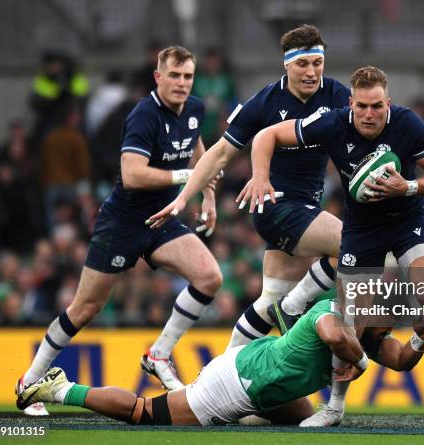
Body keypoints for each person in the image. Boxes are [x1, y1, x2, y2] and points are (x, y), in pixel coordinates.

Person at [235, 66, 424, 413]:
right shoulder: (334, 123)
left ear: (388, 104)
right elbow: (266, 136)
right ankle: (334, 408)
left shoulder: (407, 124)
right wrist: (261, 177)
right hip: (361, 230)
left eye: (377, 106)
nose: (369, 114)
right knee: (351, 322)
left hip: (407, 219)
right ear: (351, 103)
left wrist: (408, 187)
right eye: (362, 106)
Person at [145, 25, 354, 426]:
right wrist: (183, 197)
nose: (312, 72)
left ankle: (217, 384)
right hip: (274, 206)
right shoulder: (264, 102)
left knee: (268, 302)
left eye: (318, 63)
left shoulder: (339, 96)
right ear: (287, 65)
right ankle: (294, 310)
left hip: (306, 208)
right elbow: (221, 153)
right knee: (353, 249)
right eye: (304, 64)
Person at [16, 46, 222, 416]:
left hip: (161, 219)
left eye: (187, 76)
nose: (181, 83)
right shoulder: (143, 114)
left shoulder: (195, 109)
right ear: (158, 77)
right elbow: (132, 174)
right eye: (174, 75)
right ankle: (29, 381)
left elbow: (197, 150)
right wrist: (187, 177)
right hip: (123, 222)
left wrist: (208, 195)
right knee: (86, 308)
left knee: (209, 277)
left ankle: (157, 355)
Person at [17, 299, 424, 426]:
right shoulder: (333, 311)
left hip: (263, 379)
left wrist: (421, 336)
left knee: (300, 423)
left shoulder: (369, 333)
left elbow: (400, 361)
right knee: (144, 413)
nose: (394, 317)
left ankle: (180, 384)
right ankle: (58, 387)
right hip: (238, 381)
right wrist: (359, 363)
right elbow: (330, 335)